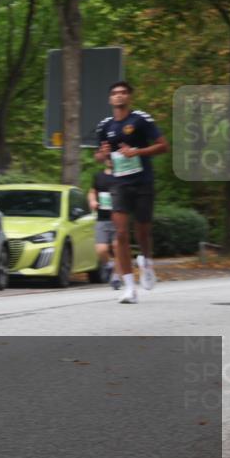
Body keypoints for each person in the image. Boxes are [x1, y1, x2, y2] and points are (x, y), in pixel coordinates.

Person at [94, 81, 169, 304]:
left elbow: (163, 146)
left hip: (143, 181)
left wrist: (138, 151)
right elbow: (100, 157)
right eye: (115, 93)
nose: (119, 96)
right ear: (110, 99)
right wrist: (103, 153)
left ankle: (146, 261)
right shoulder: (104, 126)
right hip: (119, 184)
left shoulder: (140, 119)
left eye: (123, 93)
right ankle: (129, 288)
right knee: (121, 234)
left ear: (129, 97)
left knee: (143, 230)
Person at [88, 159, 120, 290]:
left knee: (118, 248)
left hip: (118, 218)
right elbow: (91, 192)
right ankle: (109, 265)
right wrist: (93, 201)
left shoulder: (122, 176)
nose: (110, 160)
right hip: (102, 218)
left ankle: (116, 277)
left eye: (112, 157)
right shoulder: (98, 176)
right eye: (108, 158)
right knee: (101, 250)